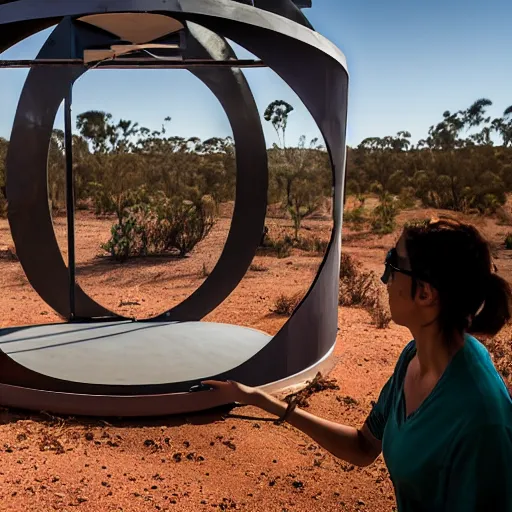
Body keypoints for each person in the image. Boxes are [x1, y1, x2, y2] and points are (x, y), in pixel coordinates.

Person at [204, 217, 512, 512]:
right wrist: (257, 399)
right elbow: (364, 446)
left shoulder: (480, 419)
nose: (385, 279)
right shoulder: (413, 358)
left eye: (393, 264)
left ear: (425, 292)